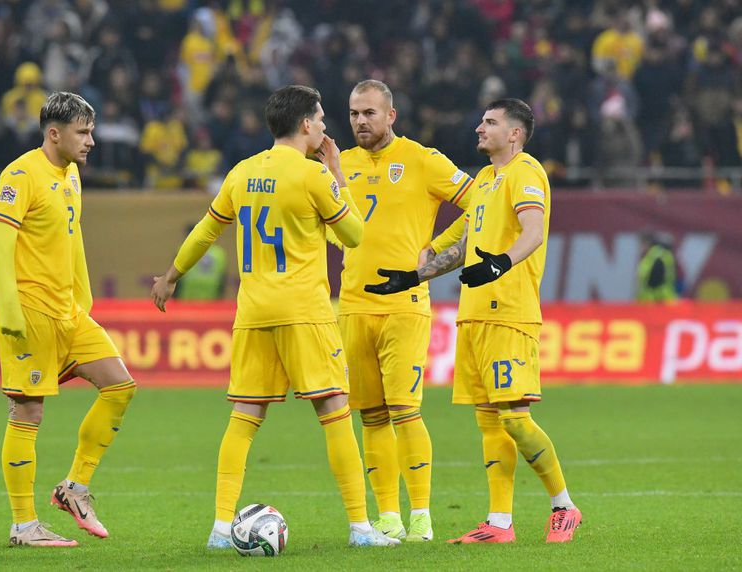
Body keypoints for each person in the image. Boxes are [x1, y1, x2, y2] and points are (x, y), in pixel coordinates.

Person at [150, 85, 399, 549]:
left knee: (244, 417)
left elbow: (207, 229)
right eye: (322, 119)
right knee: (335, 411)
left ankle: (221, 530)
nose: (326, 128)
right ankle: (362, 529)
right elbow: (354, 234)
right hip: (304, 311)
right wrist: (338, 173)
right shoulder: (312, 176)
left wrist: (171, 275)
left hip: (253, 311)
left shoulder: (242, 173)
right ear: (305, 124)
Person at [365, 98, 581, 543]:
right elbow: (461, 243)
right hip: (474, 316)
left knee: (515, 418)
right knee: (490, 421)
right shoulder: (485, 179)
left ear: (515, 133)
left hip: (510, 314)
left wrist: (501, 263)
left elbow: (534, 231)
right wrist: (413, 274)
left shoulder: (526, 172)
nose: (479, 128)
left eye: (490, 122)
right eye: (481, 121)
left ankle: (564, 506)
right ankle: (499, 522)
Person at [0, 92, 136, 548]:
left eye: (91, 131)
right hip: (30, 311)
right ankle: (23, 525)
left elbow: (72, 239)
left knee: (120, 385)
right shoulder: (20, 174)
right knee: (28, 410)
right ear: (55, 133)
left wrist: (83, 294)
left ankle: (74, 488)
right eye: (83, 132)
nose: (92, 140)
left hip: (69, 312)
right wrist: (8, 307)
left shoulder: (70, 174)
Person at [330, 79, 473, 542]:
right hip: (352, 305)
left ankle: (422, 517)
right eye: (353, 113)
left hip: (404, 305)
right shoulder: (339, 165)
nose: (360, 121)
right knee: (370, 415)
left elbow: (481, 206)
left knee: (406, 411)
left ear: (391, 116)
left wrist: (436, 249)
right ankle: (387, 515)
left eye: (369, 113)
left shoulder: (423, 160)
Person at [637, 231, 680, 302]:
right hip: (656, 300)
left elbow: (654, 280)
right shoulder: (652, 256)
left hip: (657, 301)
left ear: (647, 243)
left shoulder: (656, 257)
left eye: (641, 244)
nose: (640, 247)